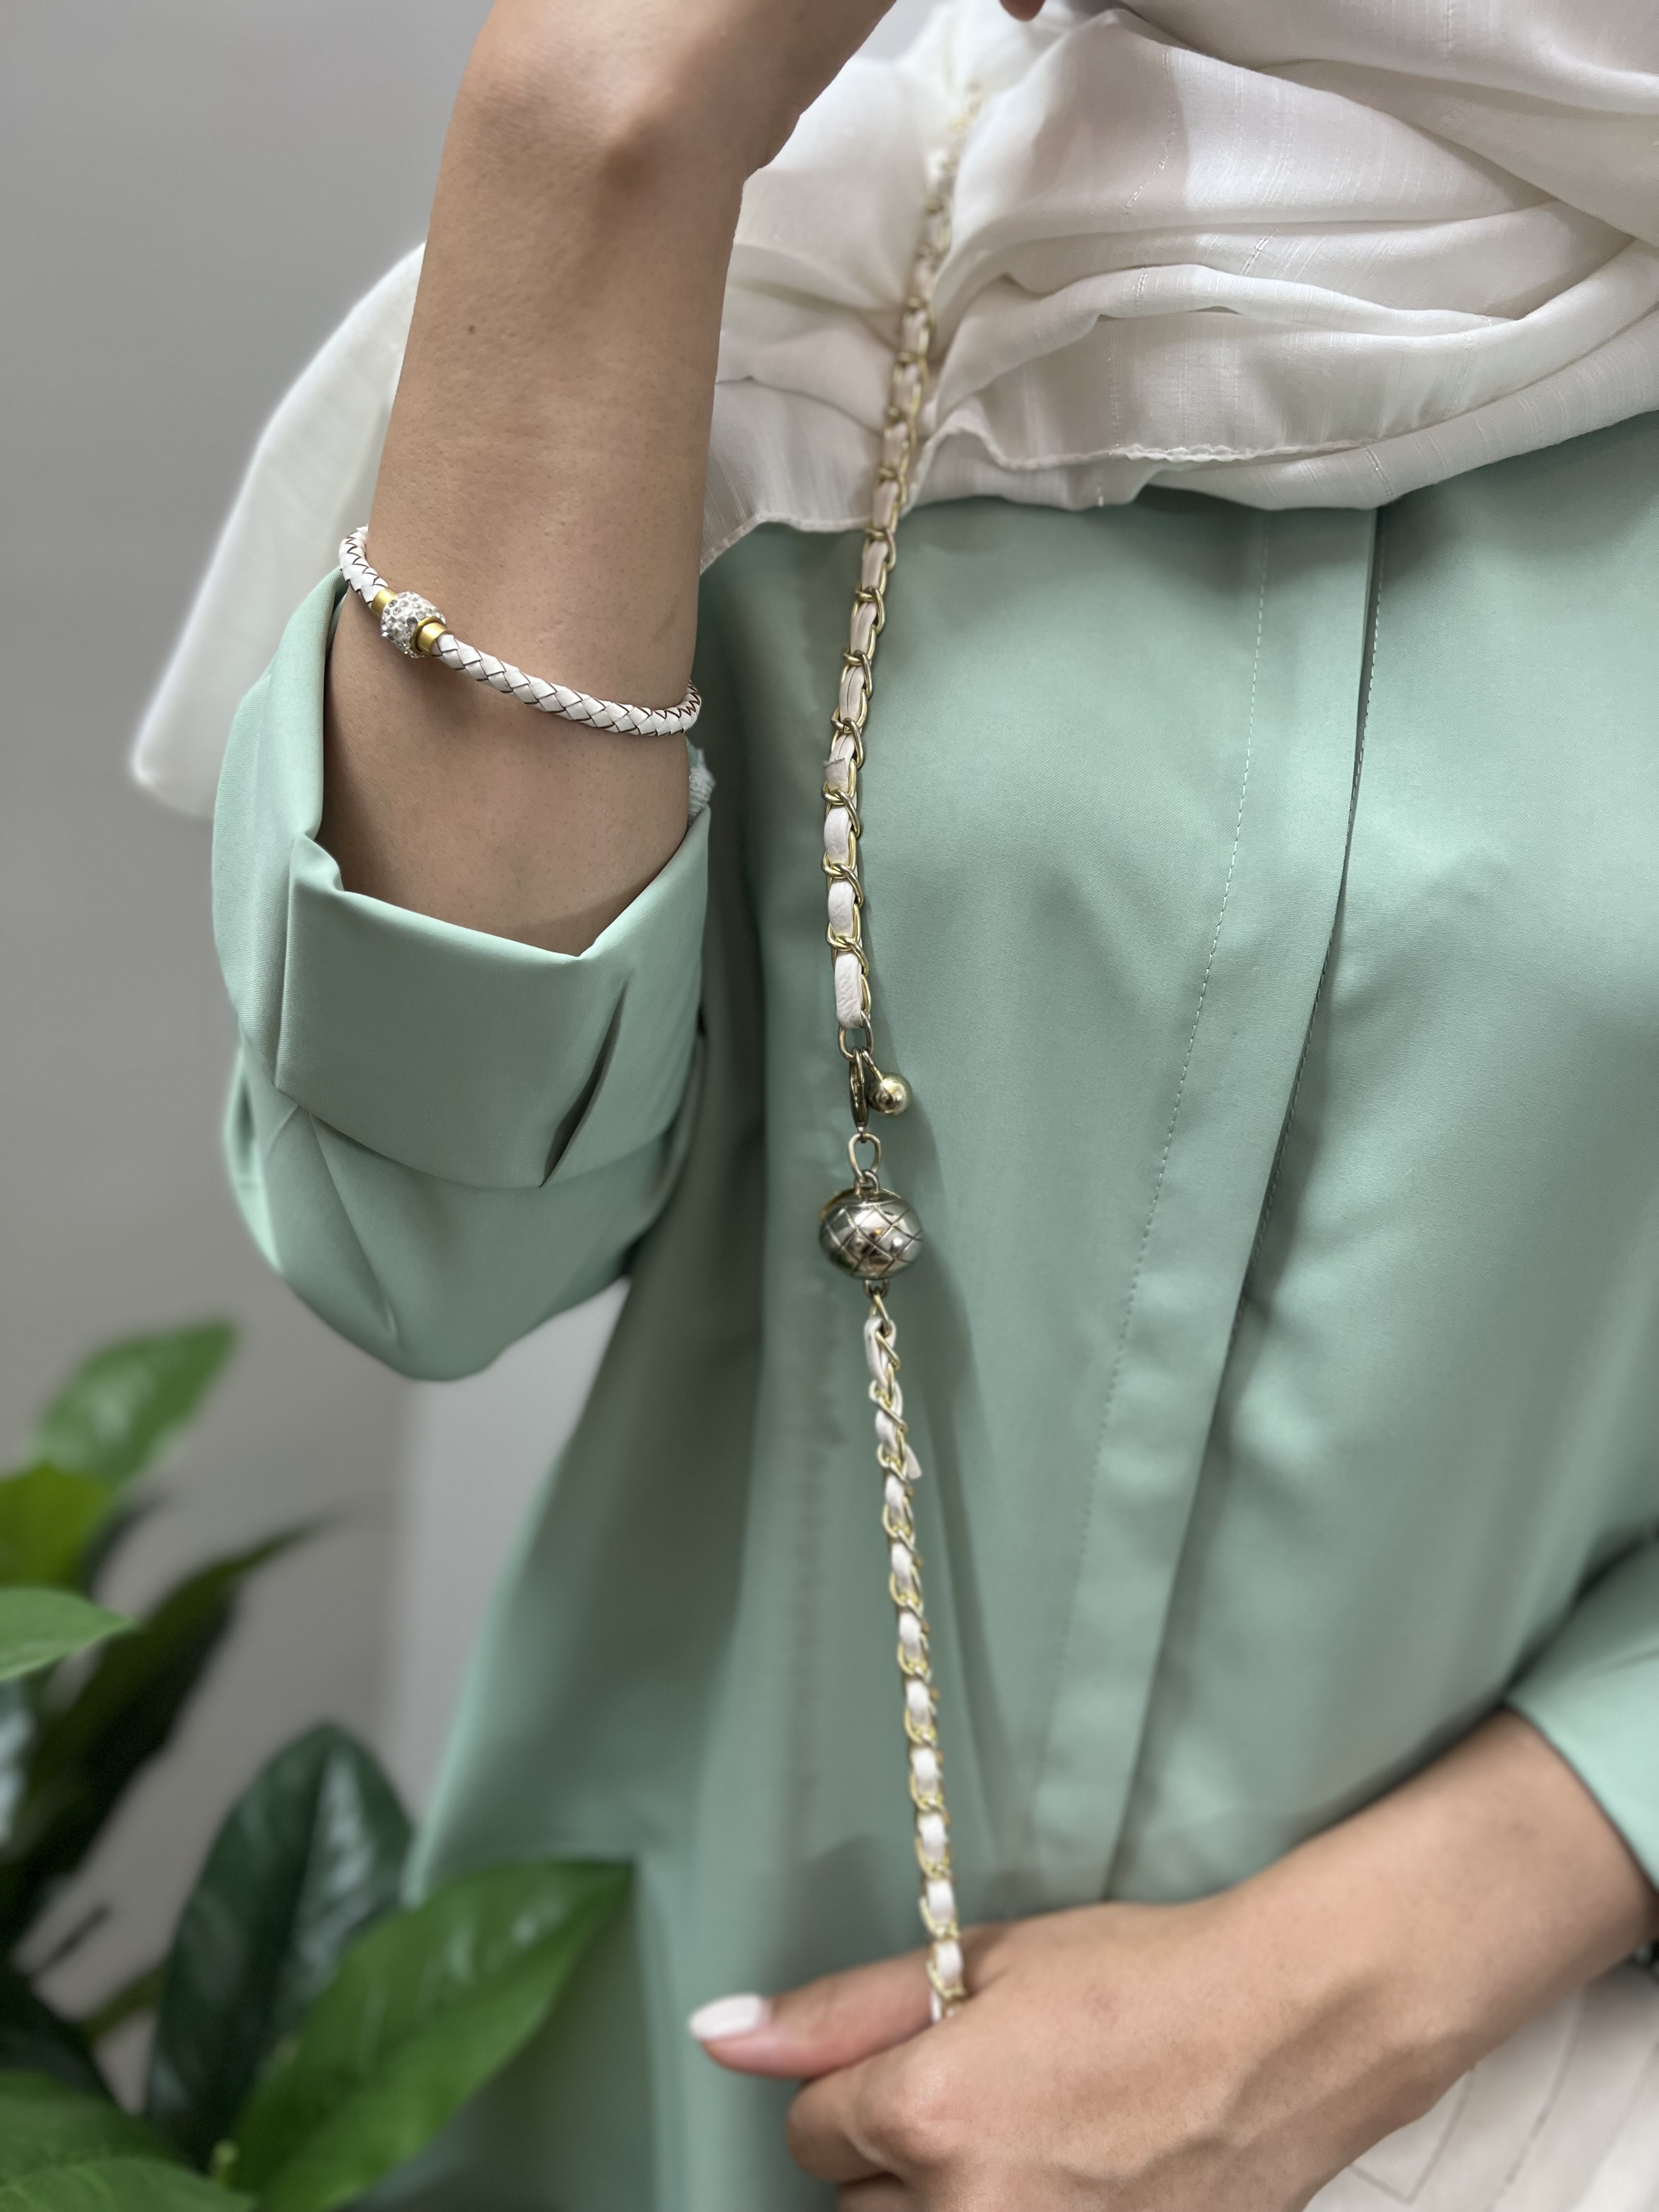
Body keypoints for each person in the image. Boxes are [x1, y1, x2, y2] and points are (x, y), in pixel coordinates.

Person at [142, 1, 1659, 2204]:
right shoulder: (856, 246)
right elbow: (422, 1239)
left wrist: (1361, 1985)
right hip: (686, 2082)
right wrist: (591, 130)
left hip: (1522, 2111)